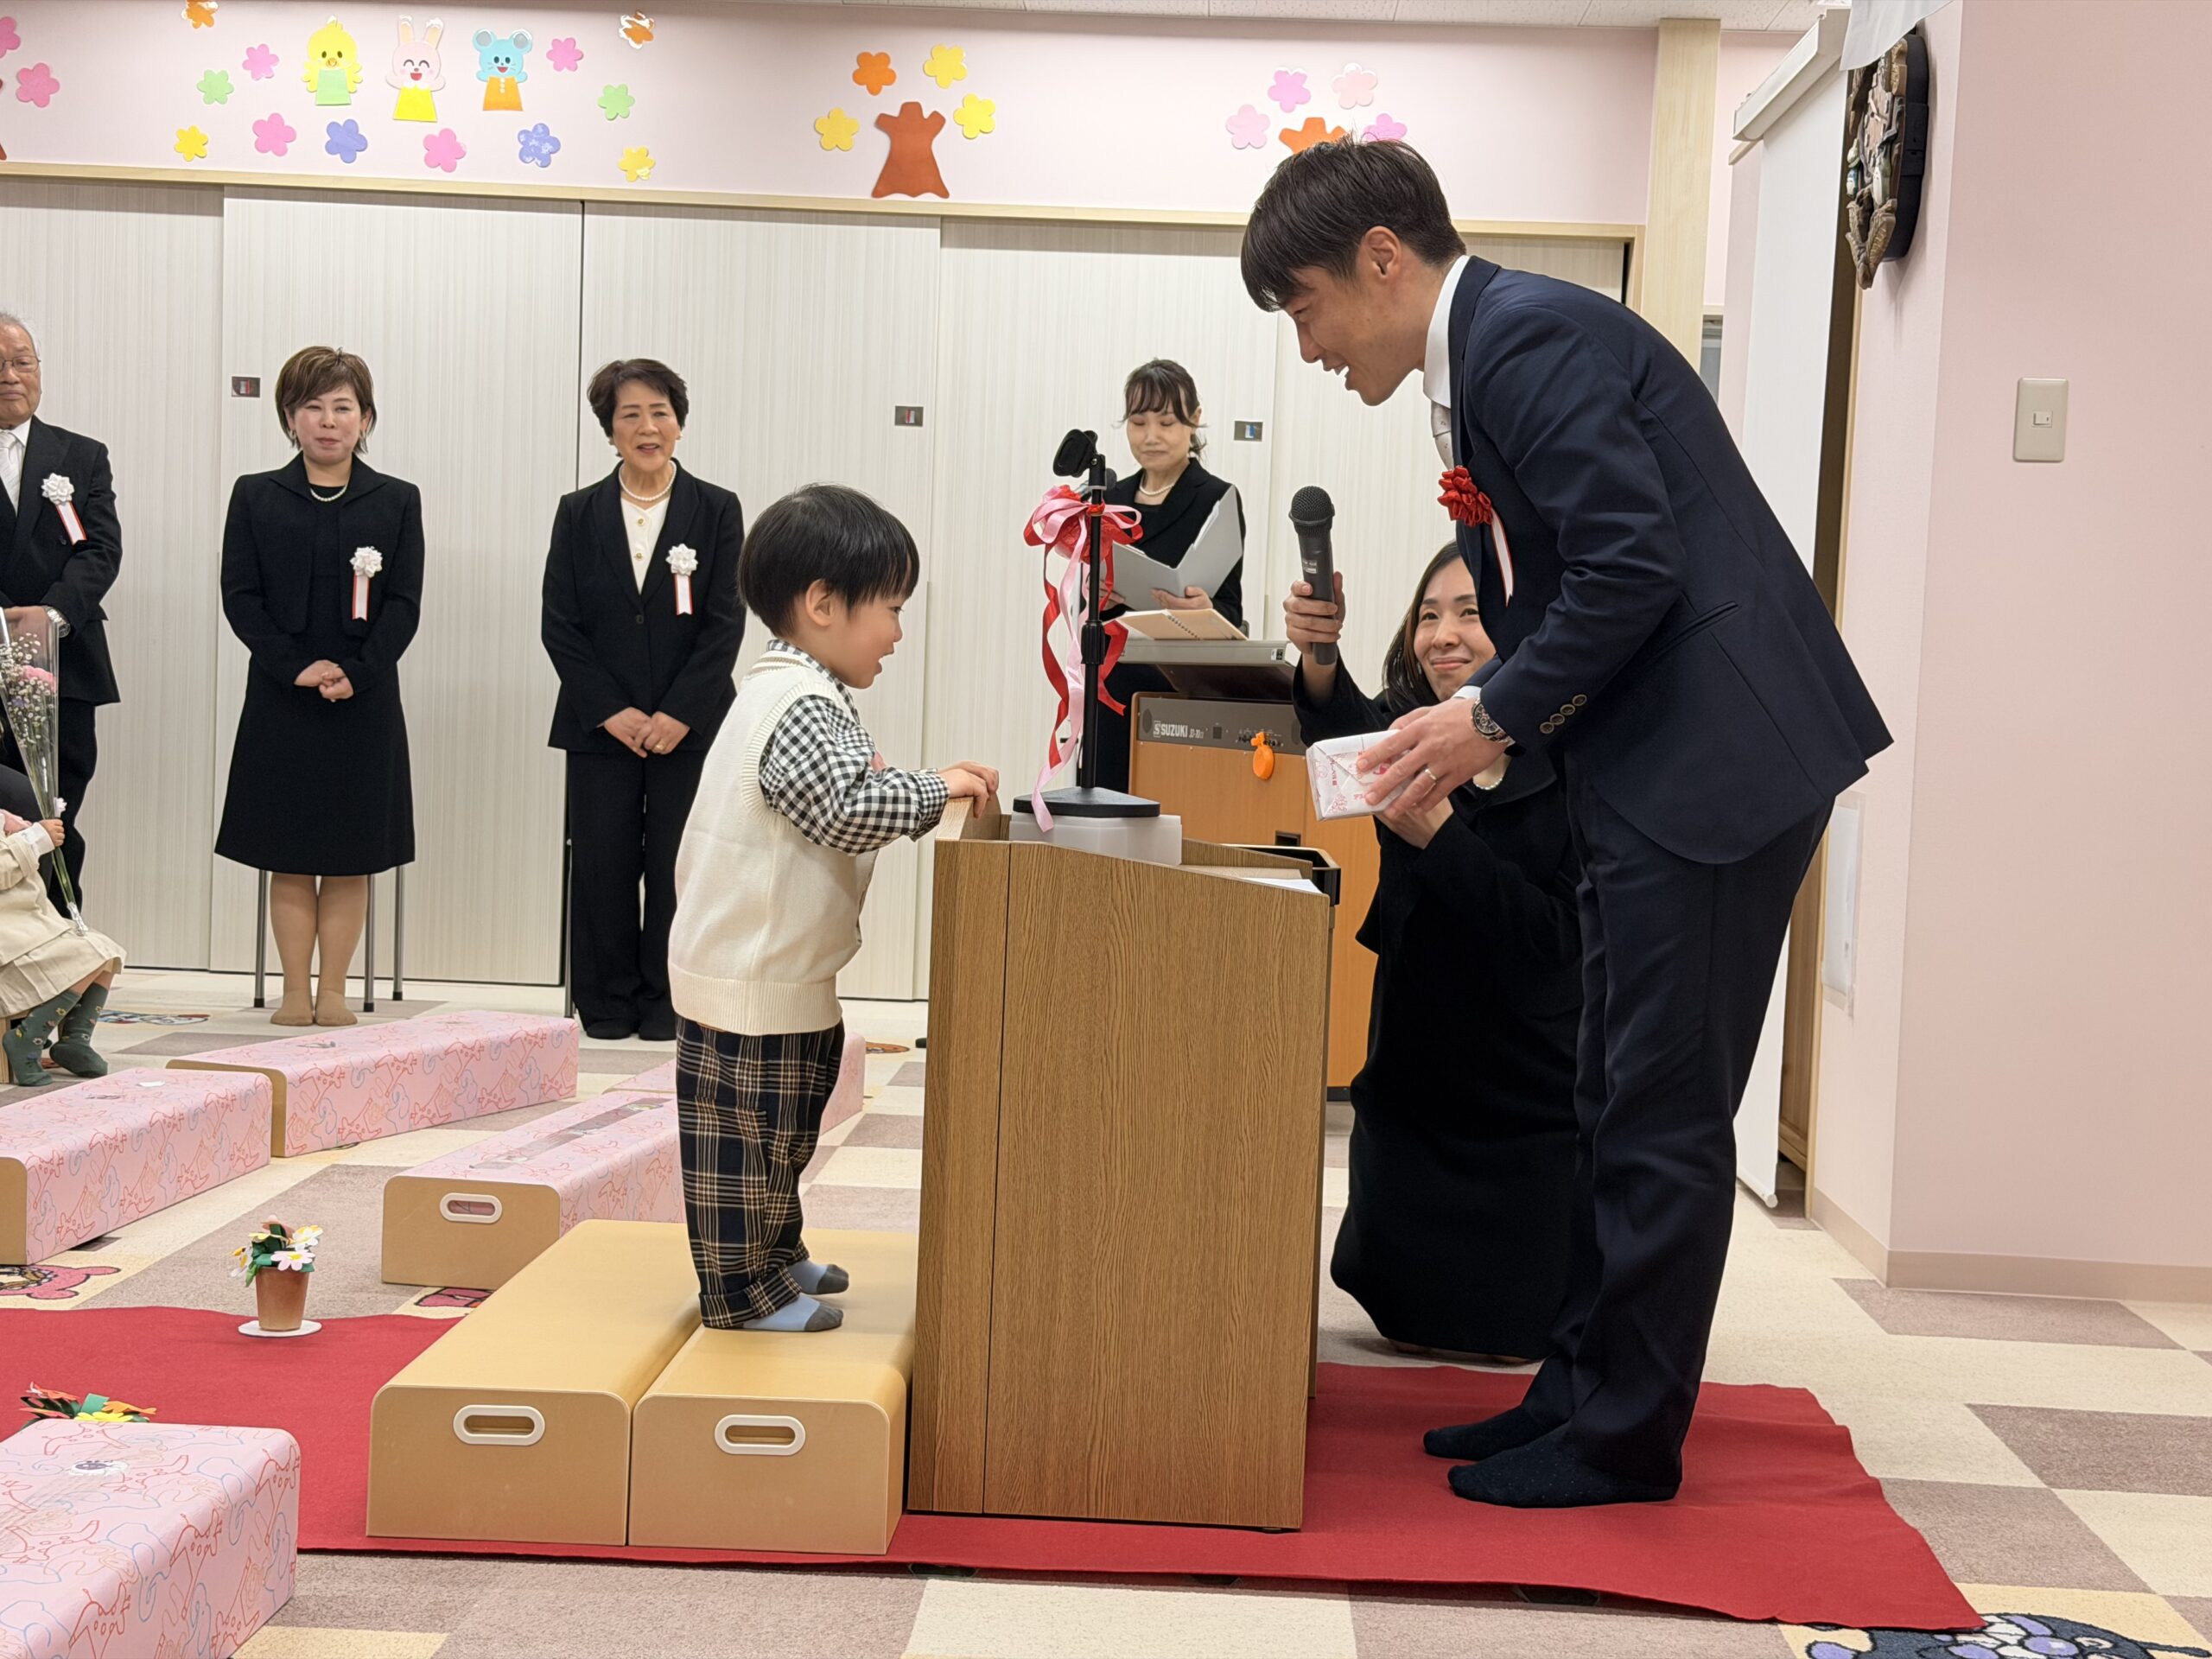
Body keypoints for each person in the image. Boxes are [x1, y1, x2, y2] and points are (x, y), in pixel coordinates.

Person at [1243, 141, 1890, 1507]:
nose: (1308, 348)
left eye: (1304, 308)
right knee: (1608, 1093)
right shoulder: (1490, 356)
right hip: (1647, 760)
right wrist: (1480, 719)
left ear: (1379, 259)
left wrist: (1483, 718)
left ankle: (1624, 1437)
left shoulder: (1525, 339)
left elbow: (1629, 566)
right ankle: (1578, 1390)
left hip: (1709, 763)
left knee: (1658, 1109)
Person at [666, 484, 995, 1333]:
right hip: (748, 979)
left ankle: (776, 1253)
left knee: (784, 1133)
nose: (897, 632)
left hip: (782, 974)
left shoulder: (798, 693)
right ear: (822, 604)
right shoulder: (798, 704)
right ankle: (741, 1291)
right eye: (891, 609)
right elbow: (845, 809)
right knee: (746, 1145)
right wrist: (938, 787)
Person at [1286, 545, 1579, 1361]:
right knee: (1400, 1303)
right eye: (1428, 615)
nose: (1442, 635)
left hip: (1530, 1088)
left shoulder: (1581, 752)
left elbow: (1555, 945)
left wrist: (1442, 837)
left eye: (1469, 613)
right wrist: (1319, 654)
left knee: (1521, 1324)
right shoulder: (1413, 722)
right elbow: (1345, 737)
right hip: (1416, 1071)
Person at [215, 347, 422, 1028]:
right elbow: (241, 595)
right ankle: (294, 991)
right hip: (282, 697)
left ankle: (334, 991)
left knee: (351, 854)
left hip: (365, 701)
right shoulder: (256, 494)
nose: (328, 421)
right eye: (313, 407)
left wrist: (357, 673)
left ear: (366, 419)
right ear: (289, 418)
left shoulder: (396, 499)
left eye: (343, 407)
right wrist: (293, 666)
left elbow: (405, 604)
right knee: (290, 853)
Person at [543, 359, 745, 1043]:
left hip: (691, 728)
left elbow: (725, 621)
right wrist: (611, 710)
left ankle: (670, 1003)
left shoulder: (716, 509)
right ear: (610, 430)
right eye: (630, 415)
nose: (647, 427)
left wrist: (679, 712)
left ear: (679, 424)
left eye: (660, 412)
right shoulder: (578, 513)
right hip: (599, 729)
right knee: (602, 866)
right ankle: (604, 1005)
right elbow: (560, 624)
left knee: (679, 868)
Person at [0, 313, 124, 910]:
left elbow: (101, 550)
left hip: (65, 666)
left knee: (56, 816)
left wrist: (49, 614)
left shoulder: (82, 455)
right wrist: (5, 622)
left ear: (39, 371)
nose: (10, 375)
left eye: (22, 362)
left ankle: (58, 943)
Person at [1091, 359, 1246, 792]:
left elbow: (1232, 610)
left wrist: (1205, 609)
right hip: (1113, 686)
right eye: (1139, 422)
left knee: (1174, 804)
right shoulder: (1110, 498)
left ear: (1194, 420)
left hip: (1180, 687)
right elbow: (1088, 608)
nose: (1151, 436)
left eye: (1166, 422)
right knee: (1106, 806)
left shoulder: (1216, 498)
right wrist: (1096, 596)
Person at [0, 808, 123, 1085]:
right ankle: (28, 1037)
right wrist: (34, 838)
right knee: (89, 955)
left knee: (105, 950)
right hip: (9, 942)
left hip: (24, 929)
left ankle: (75, 1039)